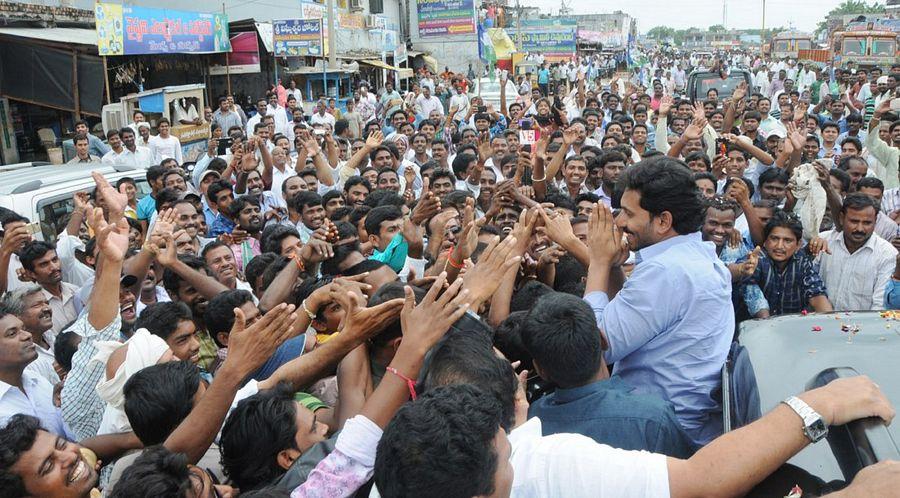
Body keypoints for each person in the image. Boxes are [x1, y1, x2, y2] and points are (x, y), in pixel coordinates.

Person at [576, 157, 733, 446]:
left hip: (654, 435)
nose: (620, 222)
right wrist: (612, 268)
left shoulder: (666, 272)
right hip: (681, 425)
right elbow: (638, 320)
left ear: (663, 221)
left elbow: (593, 347)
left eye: (628, 213)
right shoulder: (696, 256)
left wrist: (597, 262)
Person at [522, 292, 694, 458]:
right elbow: (691, 479)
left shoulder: (529, 423)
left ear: (540, 370)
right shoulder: (653, 419)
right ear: (603, 340)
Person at [816, 193, 897, 311]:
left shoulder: (887, 254)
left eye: (867, 223)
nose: (860, 229)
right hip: (820, 323)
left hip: (863, 326)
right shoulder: (823, 241)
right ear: (841, 218)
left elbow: (880, 306)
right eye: (854, 221)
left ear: (875, 220)